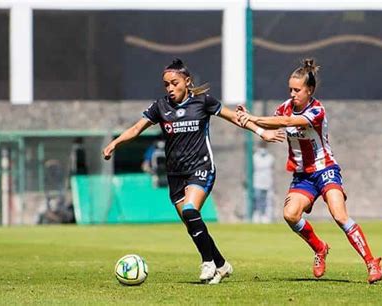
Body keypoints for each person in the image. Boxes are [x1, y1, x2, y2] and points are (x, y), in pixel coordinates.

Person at [103, 58, 285, 284]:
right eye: (166, 85)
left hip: (202, 168)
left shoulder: (203, 102)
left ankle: (207, 263)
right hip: (175, 174)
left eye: (174, 83)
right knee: (192, 223)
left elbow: (234, 118)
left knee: (190, 210)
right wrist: (115, 143)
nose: (170, 88)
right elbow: (137, 128)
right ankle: (221, 264)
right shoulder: (160, 106)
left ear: (187, 81)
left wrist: (261, 132)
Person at [236, 58, 382, 284]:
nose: (293, 94)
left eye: (297, 90)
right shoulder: (284, 107)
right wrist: (250, 122)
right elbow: (273, 123)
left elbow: (286, 121)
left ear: (310, 90)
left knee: (339, 215)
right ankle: (320, 248)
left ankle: (371, 262)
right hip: (303, 176)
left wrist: (254, 116)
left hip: (325, 170)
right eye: (290, 89)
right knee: (290, 215)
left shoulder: (316, 110)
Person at [252, 143, 275, 223]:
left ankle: (266, 216)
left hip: (268, 183)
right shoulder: (255, 157)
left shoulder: (270, 158)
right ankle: (257, 216)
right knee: (257, 199)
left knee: (267, 200)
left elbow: (272, 169)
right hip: (257, 182)